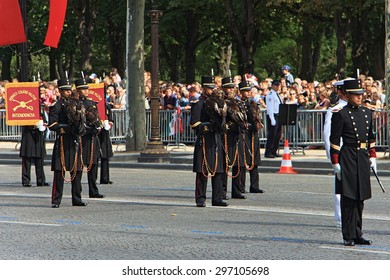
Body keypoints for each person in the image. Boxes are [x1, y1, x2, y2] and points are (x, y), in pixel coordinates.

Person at [330, 78, 376, 246]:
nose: (359, 97)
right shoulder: (340, 114)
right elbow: (334, 141)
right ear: (348, 95)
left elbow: (371, 137)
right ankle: (348, 235)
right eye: (356, 95)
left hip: (362, 157)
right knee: (349, 198)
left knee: (360, 198)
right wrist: (336, 163)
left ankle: (358, 233)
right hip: (348, 156)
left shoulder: (366, 113)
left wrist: (373, 156)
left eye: (360, 94)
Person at [47, 78, 87, 208]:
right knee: (60, 172)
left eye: (69, 90)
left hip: (74, 141)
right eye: (65, 90)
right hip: (63, 141)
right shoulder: (56, 106)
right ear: (60, 91)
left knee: (77, 171)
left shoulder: (77, 104)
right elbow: (52, 125)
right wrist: (67, 128)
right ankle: (56, 200)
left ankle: (77, 198)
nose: (69, 92)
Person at [190, 76, 228, 207]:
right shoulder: (199, 103)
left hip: (216, 138)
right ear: (204, 88)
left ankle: (217, 198)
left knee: (218, 169)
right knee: (202, 170)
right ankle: (200, 198)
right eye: (209, 88)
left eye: (213, 88)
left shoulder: (217, 102)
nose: (211, 91)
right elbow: (194, 124)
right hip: (205, 139)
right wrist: (208, 126)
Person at [74, 78, 105, 198]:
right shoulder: (75, 103)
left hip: (91, 138)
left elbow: (96, 118)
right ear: (77, 90)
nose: (86, 91)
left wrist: (98, 126)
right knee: (80, 166)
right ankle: (78, 192)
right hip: (81, 138)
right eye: (83, 89)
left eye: (87, 89)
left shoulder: (91, 103)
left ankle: (93, 190)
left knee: (93, 164)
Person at [323, 79, 348, 227]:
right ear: (340, 92)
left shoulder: (358, 109)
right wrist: (333, 159)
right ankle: (340, 218)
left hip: (354, 154)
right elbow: (328, 136)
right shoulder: (335, 109)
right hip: (341, 153)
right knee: (341, 188)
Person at [221, 76, 246, 199]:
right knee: (225, 164)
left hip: (238, 135)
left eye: (232, 87)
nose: (231, 90)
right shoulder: (221, 102)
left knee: (238, 163)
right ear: (223, 89)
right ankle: (223, 191)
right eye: (228, 88)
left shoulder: (237, 102)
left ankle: (237, 190)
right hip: (226, 136)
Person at [240, 81, 264, 194]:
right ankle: (241, 186)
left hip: (253, 134)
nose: (248, 93)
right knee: (244, 160)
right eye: (245, 91)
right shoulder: (239, 104)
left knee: (254, 160)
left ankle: (254, 185)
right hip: (244, 135)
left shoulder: (253, 104)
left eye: (249, 91)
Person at [19, 100, 49, 187]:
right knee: (27, 160)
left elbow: (44, 119)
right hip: (28, 136)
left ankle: (41, 180)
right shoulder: (25, 109)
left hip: (38, 136)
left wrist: (43, 124)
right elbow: (22, 121)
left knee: (39, 159)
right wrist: (32, 125)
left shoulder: (40, 109)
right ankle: (26, 180)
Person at [264, 80, 283, 158]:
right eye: (276, 85)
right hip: (273, 115)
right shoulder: (270, 95)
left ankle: (274, 150)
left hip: (278, 115)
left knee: (277, 135)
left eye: (278, 85)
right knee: (272, 135)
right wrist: (272, 118)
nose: (277, 87)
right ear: (272, 86)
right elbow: (270, 108)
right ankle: (268, 151)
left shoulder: (277, 94)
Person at [99, 99, 114, 185]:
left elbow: (111, 119)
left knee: (105, 156)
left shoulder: (107, 106)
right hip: (96, 132)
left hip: (105, 133)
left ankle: (105, 178)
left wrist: (109, 125)